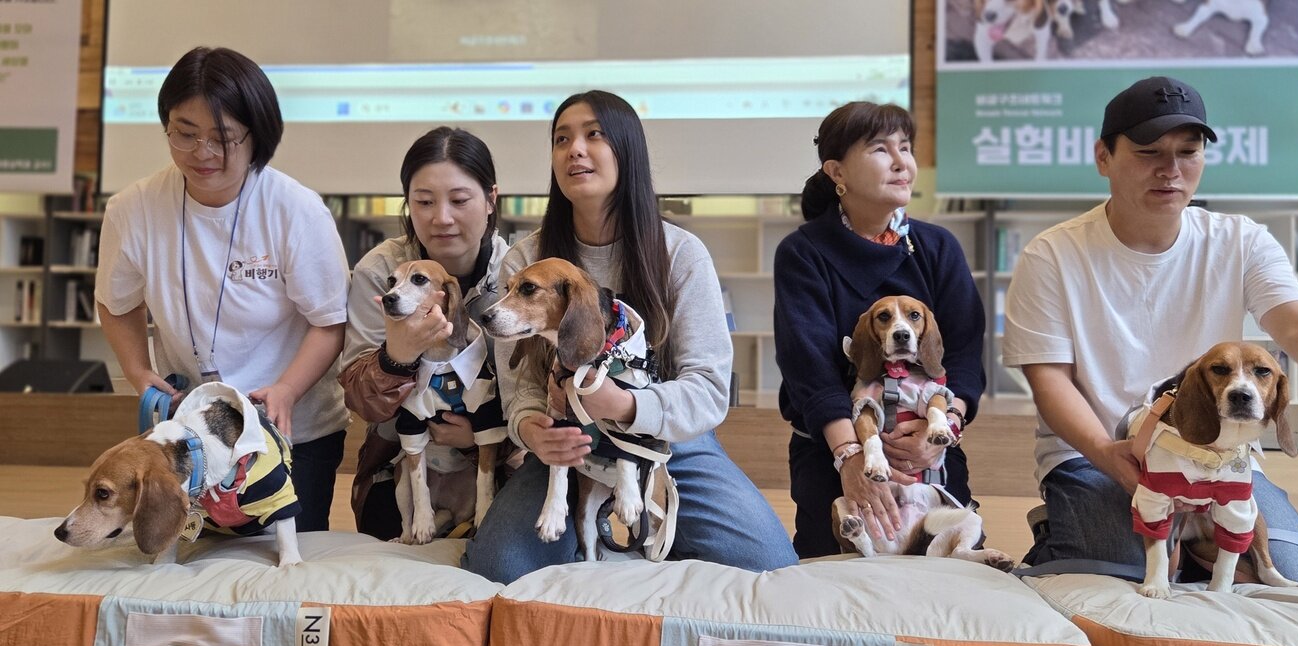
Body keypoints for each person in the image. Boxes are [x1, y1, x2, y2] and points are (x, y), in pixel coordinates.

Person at [1004, 76, 1298, 582]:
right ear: (1104, 156)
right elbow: (1049, 381)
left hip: (1221, 458)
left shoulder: (1240, 240)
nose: (1171, 170)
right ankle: (1074, 533)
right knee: (1116, 583)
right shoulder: (1052, 255)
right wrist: (1107, 455)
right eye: (1149, 152)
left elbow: (1297, 321)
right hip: (1098, 455)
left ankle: (1191, 550)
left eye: (1188, 152)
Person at [463, 90, 798, 583]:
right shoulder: (526, 261)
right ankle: (597, 532)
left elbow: (707, 389)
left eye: (593, 135)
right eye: (561, 139)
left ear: (628, 150)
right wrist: (534, 432)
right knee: (498, 567)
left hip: (670, 443)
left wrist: (625, 407)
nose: (574, 149)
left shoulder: (681, 253)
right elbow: (521, 392)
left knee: (770, 564)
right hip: (567, 441)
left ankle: (643, 530)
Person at [96, 47, 349, 531]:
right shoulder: (134, 209)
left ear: (258, 135)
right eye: (184, 134)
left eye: (223, 138)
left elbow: (329, 322)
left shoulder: (295, 210)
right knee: (191, 564)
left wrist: (287, 390)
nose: (202, 154)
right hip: (185, 432)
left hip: (288, 432)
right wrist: (136, 369)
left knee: (279, 565)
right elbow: (116, 301)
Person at [773, 102, 987, 559]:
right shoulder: (803, 252)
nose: (901, 161)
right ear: (837, 171)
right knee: (835, 582)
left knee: (947, 580)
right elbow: (807, 368)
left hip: (931, 454)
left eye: (905, 148)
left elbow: (966, 355)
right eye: (879, 148)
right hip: (831, 453)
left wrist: (942, 430)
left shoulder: (937, 247)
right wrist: (850, 457)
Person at [339, 126, 512, 540]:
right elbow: (360, 401)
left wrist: (480, 444)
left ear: (490, 200)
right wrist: (394, 358)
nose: (442, 218)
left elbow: (537, 390)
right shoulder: (380, 272)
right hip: (401, 455)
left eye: (459, 200)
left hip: (503, 458)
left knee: (502, 551)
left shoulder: (517, 275)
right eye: (424, 202)